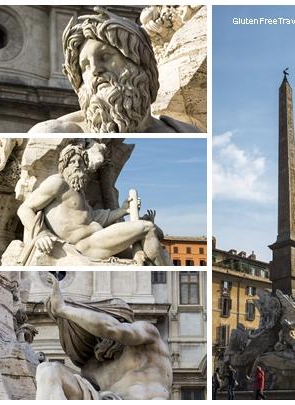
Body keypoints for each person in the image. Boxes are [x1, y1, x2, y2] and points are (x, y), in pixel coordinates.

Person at [29, 7, 200, 134]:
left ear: (140, 62)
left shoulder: (186, 132)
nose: (95, 70)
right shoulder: (55, 132)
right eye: (85, 66)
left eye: (105, 57)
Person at [17, 144, 170, 265]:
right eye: (72, 162)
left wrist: (123, 210)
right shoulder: (57, 183)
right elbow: (24, 208)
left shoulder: (79, 191)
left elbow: (94, 217)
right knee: (146, 227)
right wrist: (41, 234)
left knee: (157, 253)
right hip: (85, 245)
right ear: (64, 166)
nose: (77, 165)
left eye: (81, 162)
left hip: (97, 239)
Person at [36, 276, 172, 399]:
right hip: (106, 398)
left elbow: (111, 329)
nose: (97, 334)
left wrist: (63, 309)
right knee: (48, 370)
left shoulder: (146, 336)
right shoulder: (91, 366)